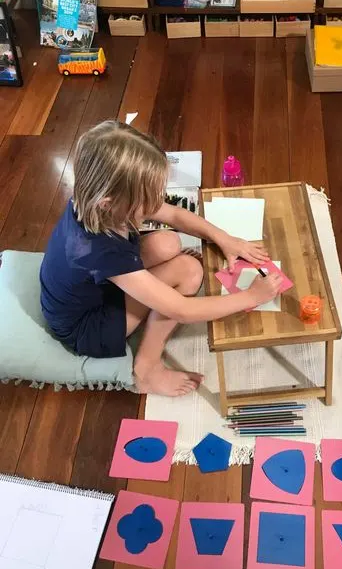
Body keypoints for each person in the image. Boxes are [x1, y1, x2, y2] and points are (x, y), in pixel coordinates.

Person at [40, 121, 282, 397]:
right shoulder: (97, 250)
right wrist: (251, 297)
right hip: (88, 327)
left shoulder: (92, 200)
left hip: (90, 290)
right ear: (109, 201)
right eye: (148, 198)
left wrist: (224, 238)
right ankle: (145, 369)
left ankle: (149, 317)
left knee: (168, 242)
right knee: (189, 271)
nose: (157, 202)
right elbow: (182, 310)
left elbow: (175, 215)